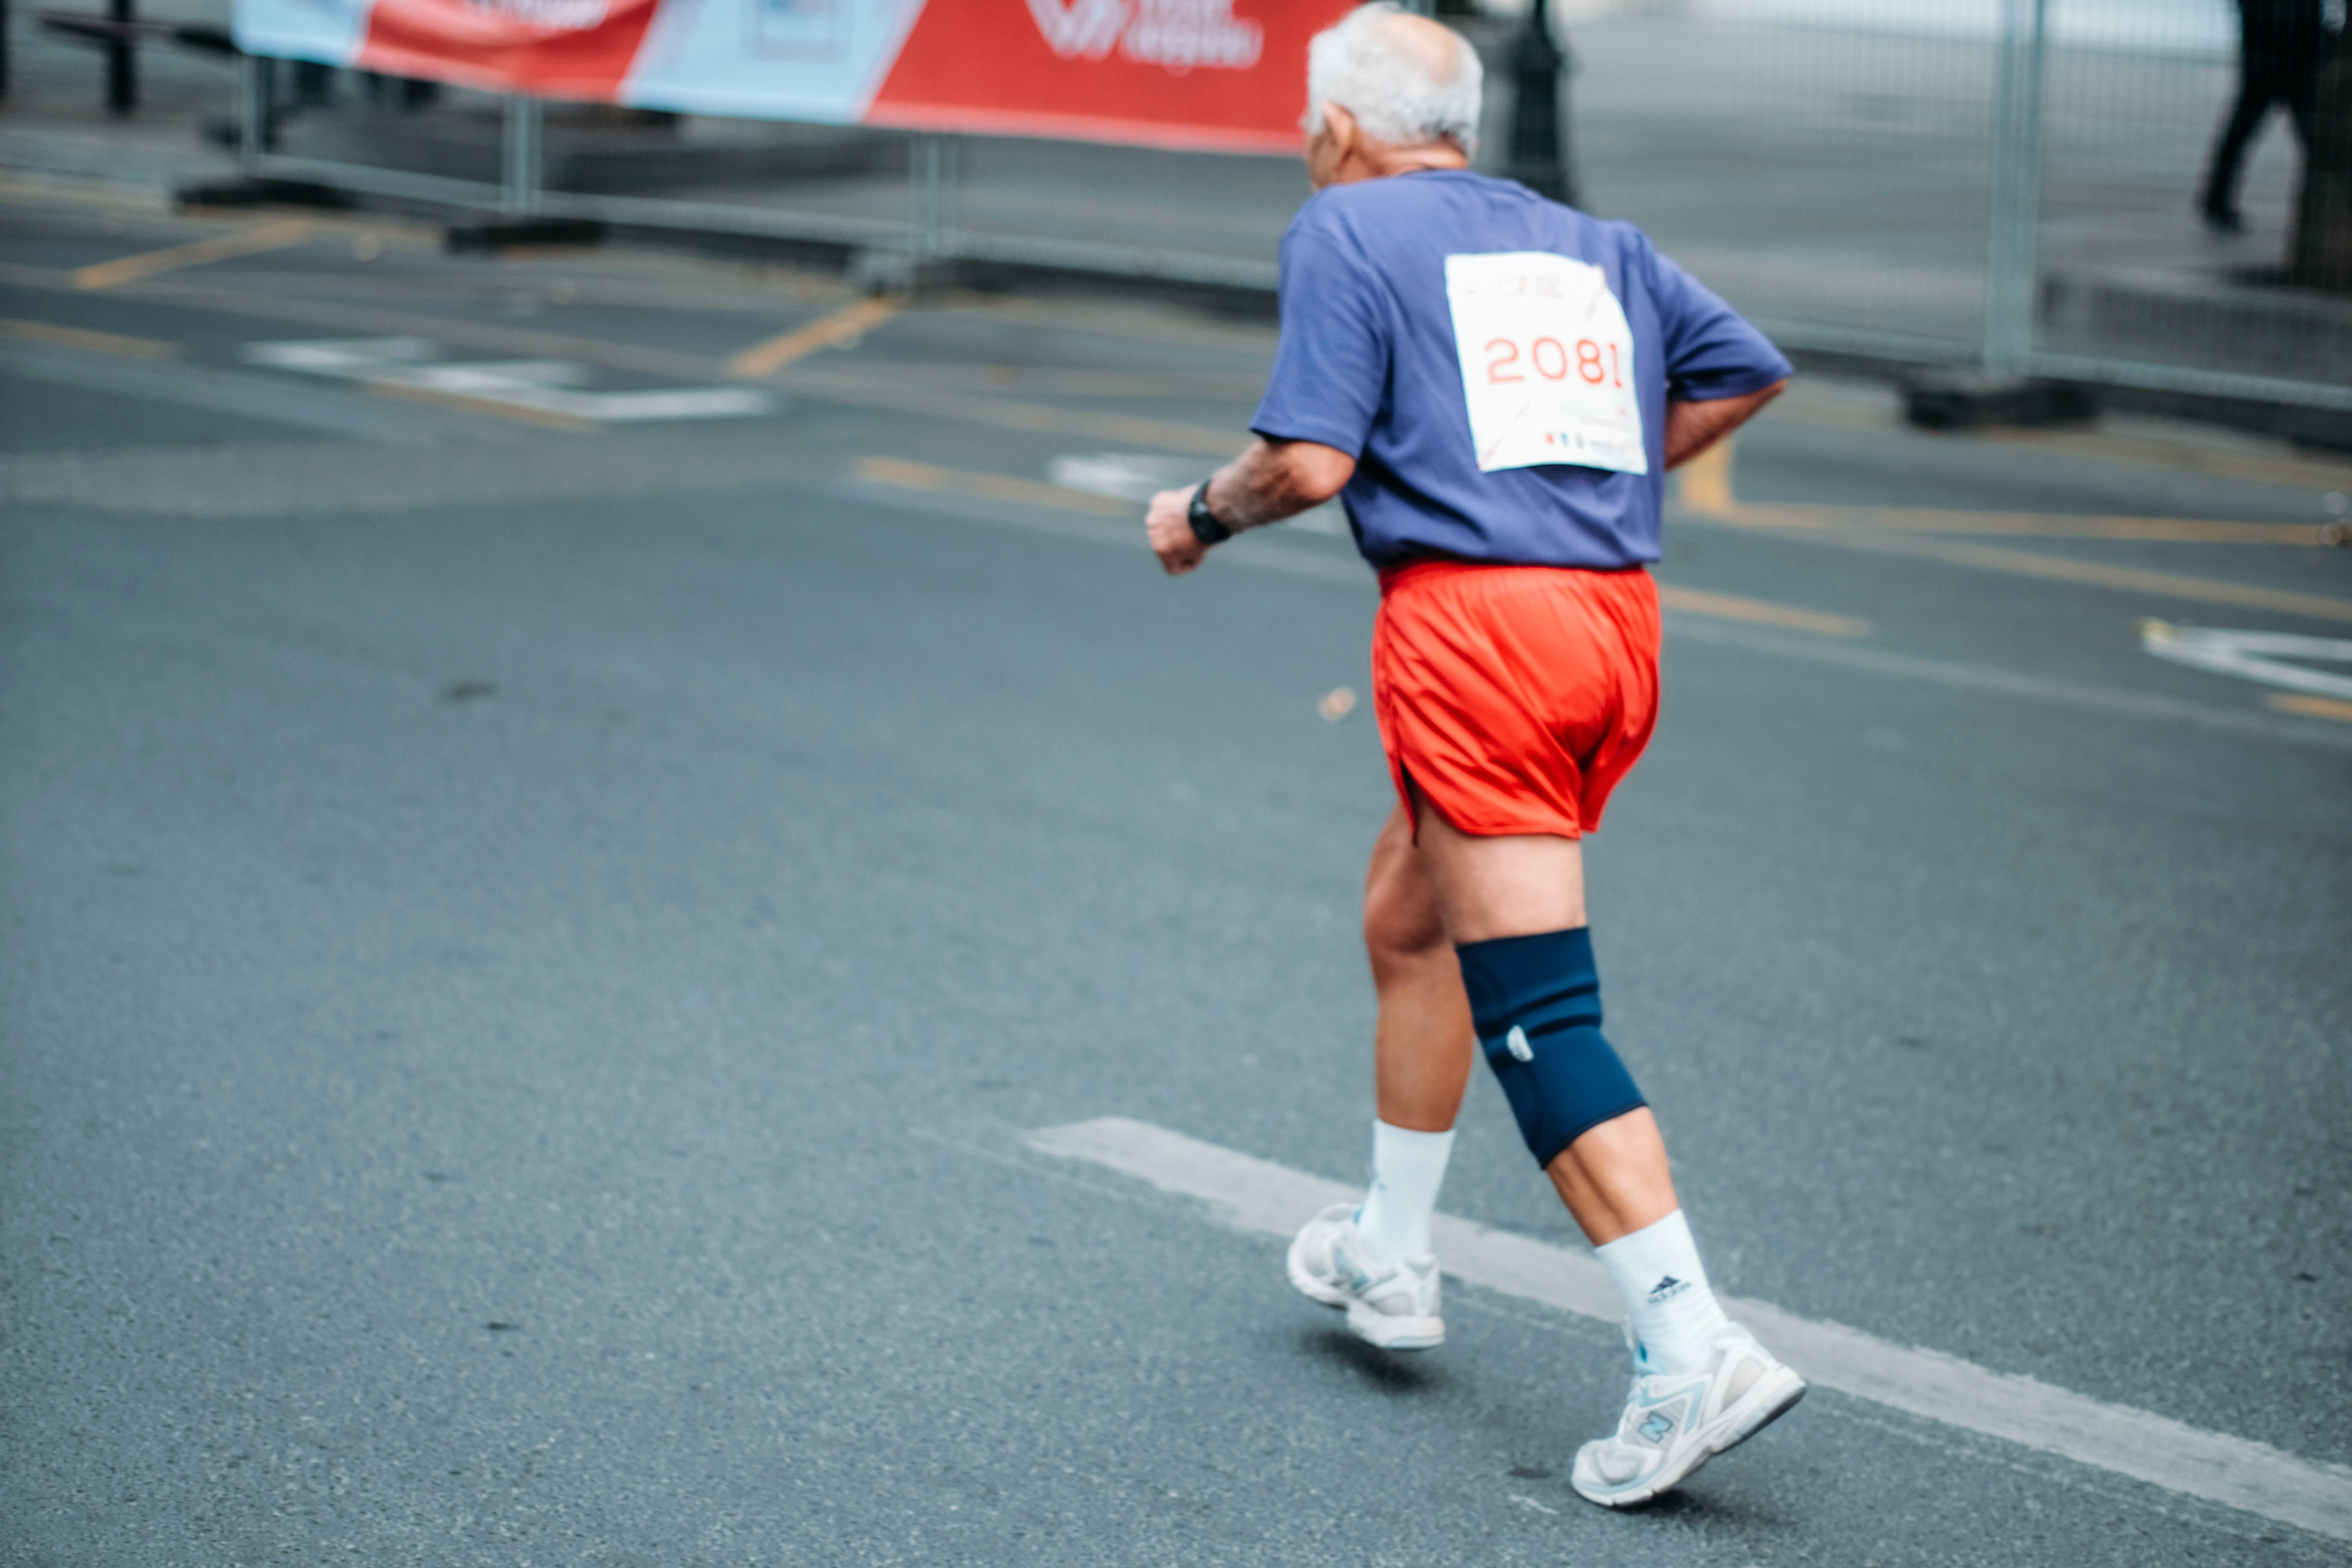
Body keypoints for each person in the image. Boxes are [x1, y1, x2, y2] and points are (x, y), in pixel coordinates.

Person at [1144, 2, 1801, 1510]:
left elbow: (1308, 460)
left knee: (1537, 1008)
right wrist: (1587, 491)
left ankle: (1687, 1336)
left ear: (1337, 127)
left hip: (1477, 636)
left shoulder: (1344, 228)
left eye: (1308, 123)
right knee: (1410, 916)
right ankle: (1389, 1247)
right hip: (1610, 620)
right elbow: (1744, 368)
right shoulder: (1590, 242)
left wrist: (1199, 515)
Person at [2201, 0, 2330, 232]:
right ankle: (2215, 201)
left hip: (2278, 64)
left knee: (2315, 143)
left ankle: (2215, 201)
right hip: (2278, 65)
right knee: (2314, 142)